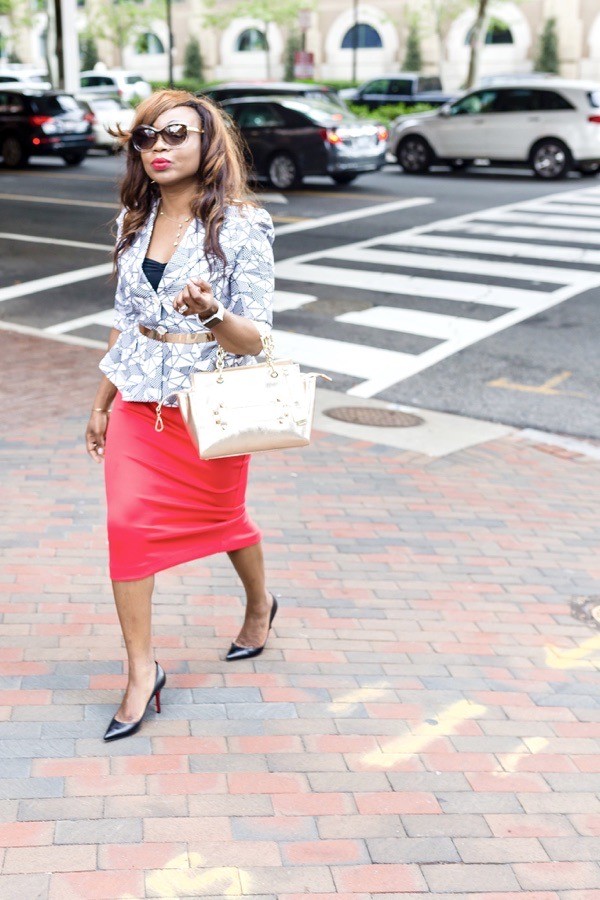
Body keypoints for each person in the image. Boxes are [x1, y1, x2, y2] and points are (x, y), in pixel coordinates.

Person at [85, 90, 278, 742]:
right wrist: (102, 402)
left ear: (206, 143)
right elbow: (127, 323)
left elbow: (256, 339)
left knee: (227, 522)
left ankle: (259, 603)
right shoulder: (131, 223)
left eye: (175, 134)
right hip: (141, 398)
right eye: (147, 136)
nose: (160, 146)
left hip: (211, 401)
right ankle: (142, 670)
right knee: (126, 524)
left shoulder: (242, 224)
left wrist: (213, 315)